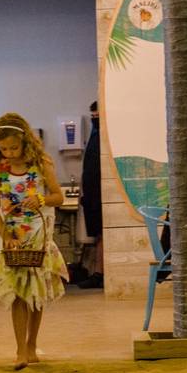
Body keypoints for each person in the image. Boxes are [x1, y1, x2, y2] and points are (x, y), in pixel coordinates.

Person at [0, 113, 68, 370]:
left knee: (36, 293)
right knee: (18, 296)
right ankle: (20, 348)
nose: (9, 153)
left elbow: (58, 196)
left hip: (38, 236)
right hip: (11, 238)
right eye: (3, 149)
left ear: (25, 142)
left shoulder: (41, 165)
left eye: (13, 147)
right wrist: (6, 236)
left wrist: (42, 200)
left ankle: (32, 344)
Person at [79, 101, 104, 288]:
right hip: (92, 195)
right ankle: (96, 271)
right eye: (93, 116)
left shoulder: (102, 137)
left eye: (97, 115)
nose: (95, 118)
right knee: (96, 236)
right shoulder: (95, 135)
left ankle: (100, 273)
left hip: (98, 195)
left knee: (101, 236)